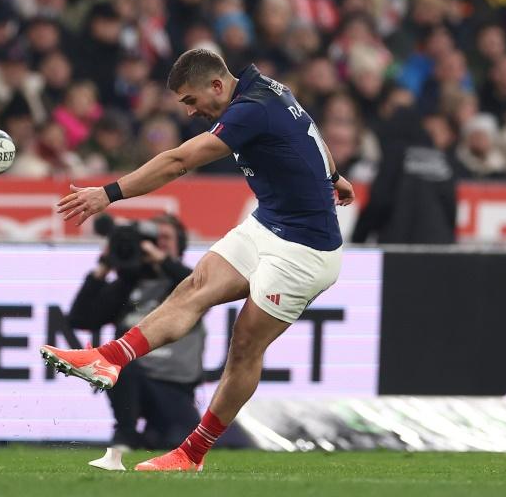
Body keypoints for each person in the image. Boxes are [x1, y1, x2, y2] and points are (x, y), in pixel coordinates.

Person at [40, 48, 354, 471]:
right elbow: (310, 134)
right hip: (267, 223)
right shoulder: (266, 90)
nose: (190, 112)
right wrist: (333, 177)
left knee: (244, 345)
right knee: (193, 288)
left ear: (218, 86)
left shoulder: (250, 111)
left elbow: (178, 160)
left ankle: (192, 454)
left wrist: (108, 193)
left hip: (305, 250)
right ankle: (110, 359)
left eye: (191, 101)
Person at [68, 214, 203, 451]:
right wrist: (105, 266)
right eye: (150, 238)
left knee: (176, 445)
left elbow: (197, 286)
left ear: (179, 245)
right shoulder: (127, 286)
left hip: (174, 388)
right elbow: (80, 318)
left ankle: (146, 438)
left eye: (164, 238)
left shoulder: (188, 285)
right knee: (118, 359)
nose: (154, 244)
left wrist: (161, 260)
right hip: (133, 383)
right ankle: (126, 433)